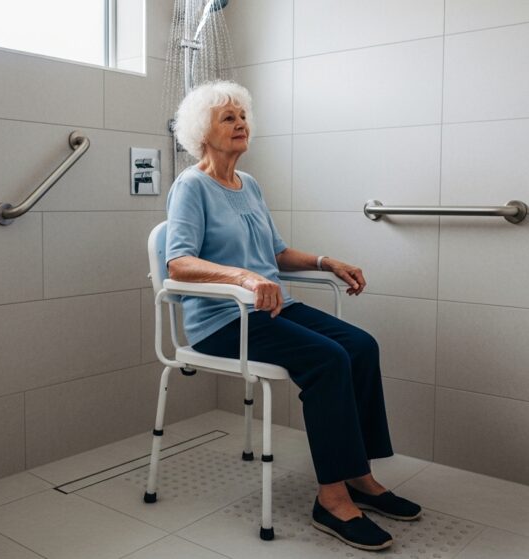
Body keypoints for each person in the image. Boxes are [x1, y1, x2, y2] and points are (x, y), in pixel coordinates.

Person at [165, 80, 422, 552]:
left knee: (361, 347)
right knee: (327, 360)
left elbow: (276, 253)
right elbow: (178, 262)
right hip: (223, 321)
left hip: (271, 306)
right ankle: (331, 499)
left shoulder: (250, 185)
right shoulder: (191, 186)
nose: (241, 123)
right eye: (228, 117)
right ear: (203, 131)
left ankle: (360, 475)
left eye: (242, 115)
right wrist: (241, 277)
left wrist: (326, 262)